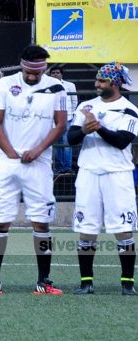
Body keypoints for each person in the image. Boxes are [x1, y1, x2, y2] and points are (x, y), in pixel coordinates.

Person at [0, 45, 68, 295]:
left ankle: (44, 281)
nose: (31, 76)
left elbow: (60, 124)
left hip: (39, 164)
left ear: (44, 68)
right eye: (27, 71)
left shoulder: (56, 87)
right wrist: (10, 151)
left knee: (41, 222)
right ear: (22, 65)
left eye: (36, 72)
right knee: (1, 220)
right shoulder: (4, 85)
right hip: (8, 162)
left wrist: (38, 150)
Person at [67, 63, 138, 296]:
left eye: (102, 81)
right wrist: (86, 130)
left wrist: (97, 127)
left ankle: (127, 284)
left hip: (118, 175)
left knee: (123, 229)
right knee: (87, 229)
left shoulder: (129, 109)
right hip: (88, 173)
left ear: (115, 83)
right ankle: (86, 282)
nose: (96, 84)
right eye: (97, 80)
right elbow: (72, 138)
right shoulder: (86, 106)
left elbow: (122, 142)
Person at [48, 64, 78, 174]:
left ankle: (67, 168)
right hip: (52, 120)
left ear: (62, 74)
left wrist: (70, 115)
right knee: (57, 145)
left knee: (66, 144)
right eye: (53, 73)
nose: (55, 75)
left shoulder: (70, 85)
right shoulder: (46, 85)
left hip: (68, 118)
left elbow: (74, 100)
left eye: (57, 73)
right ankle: (59, 168)